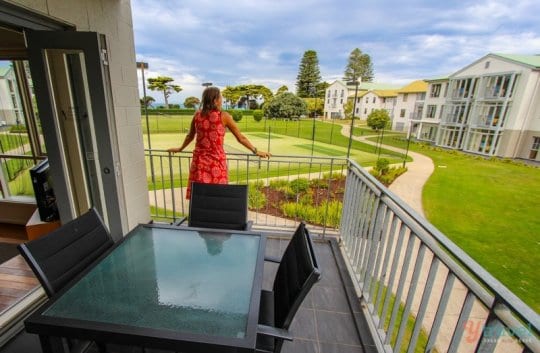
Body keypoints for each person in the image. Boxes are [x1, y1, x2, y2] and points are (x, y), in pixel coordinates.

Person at [167, 86, 271, 199]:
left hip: (199, 163)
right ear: (215, 100)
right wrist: (256, 151)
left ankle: (202, 216)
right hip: (217, 163)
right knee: (218, 196)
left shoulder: (197, 115)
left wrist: (180, 148)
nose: (222, 99)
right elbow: (241, 138)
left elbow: (190, 136)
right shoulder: (223, 116)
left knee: (200, 196)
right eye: (220, 97)